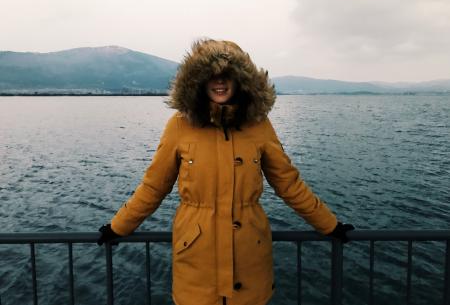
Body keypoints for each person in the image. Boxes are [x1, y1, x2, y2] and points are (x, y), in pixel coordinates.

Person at [97, 38, 354, 305]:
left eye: (227, 76)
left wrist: (329, 224)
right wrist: (118, 227)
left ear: (240, 80)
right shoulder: (179, 126)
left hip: (250, 261)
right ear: (198, 81)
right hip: (196, 261)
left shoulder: (259, 125)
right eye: (211, 76)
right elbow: (154, 186)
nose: (219, 82)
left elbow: (288, 183)